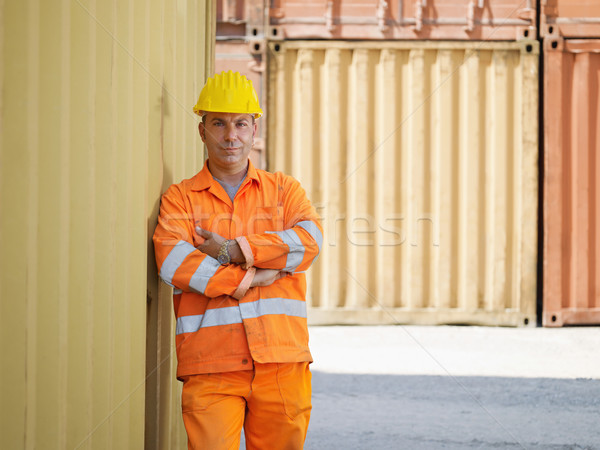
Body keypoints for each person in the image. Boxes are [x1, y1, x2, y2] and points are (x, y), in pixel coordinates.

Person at [153, 70, 322, 449]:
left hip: (281, 360)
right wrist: (248, 278)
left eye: (240, 124)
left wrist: (234, 250)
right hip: (212, 365)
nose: (231, 136)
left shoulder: (284, 191)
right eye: (219, 124)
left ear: (254, 129)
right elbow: (173, 260)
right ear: (202, 131)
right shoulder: (181, 199)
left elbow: (310, 241)